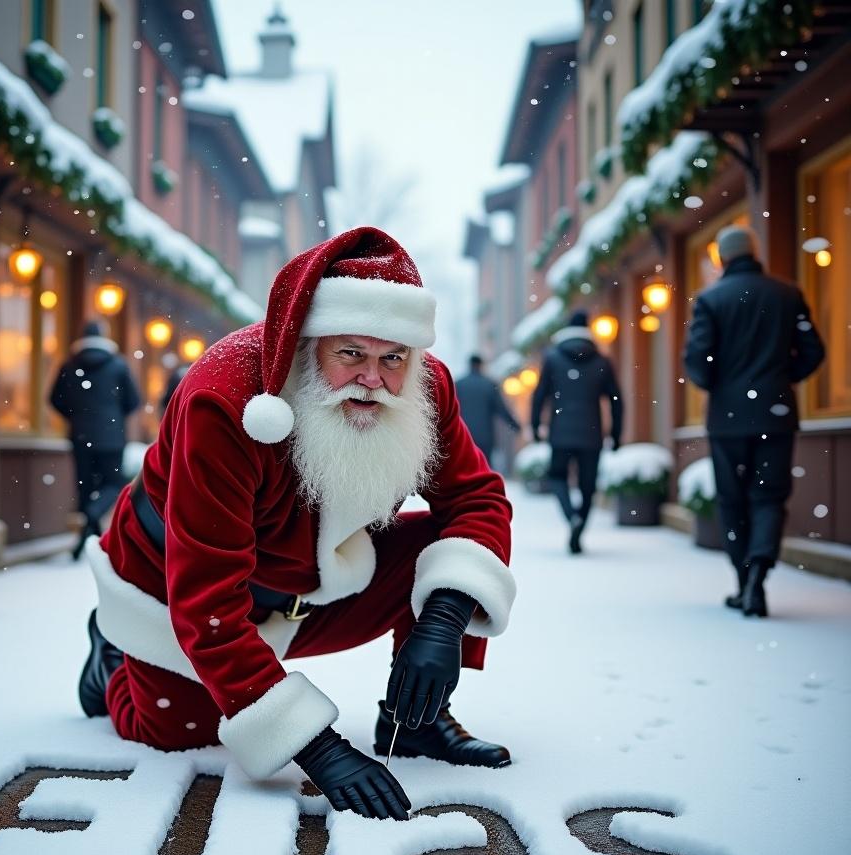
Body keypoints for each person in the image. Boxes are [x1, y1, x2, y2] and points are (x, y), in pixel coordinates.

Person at [76, 227, 517, 821]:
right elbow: (206, 602)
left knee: (452, 555)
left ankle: (418, 721)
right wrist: (318, 747)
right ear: (308, 345)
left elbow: (477, 498)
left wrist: (443, 620)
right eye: (351, 354)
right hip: (175, 585)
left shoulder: (427, 388)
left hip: (311, 582)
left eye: (393, 358)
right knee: (180, 731)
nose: (374, 379)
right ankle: (112, 663)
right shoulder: (226, 400)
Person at [683, 225, 825, 617]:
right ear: (753, 252)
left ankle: (743, 581)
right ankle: (759, 574)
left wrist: (721, 386)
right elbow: (813, 350)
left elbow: (697, 362)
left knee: (732, 500)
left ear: (722, 258)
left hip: (728, 420)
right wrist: (781, 379)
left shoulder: (711, 300)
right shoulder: (787, 294)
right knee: (769, 496)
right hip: (776, 415)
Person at [530, 310, 623, 554]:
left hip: (560, 432)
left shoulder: (553, 359)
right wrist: (616, 433)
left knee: (558, 476)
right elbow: (616, 400)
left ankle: (571, 516)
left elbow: (539, 395)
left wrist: (535, 426)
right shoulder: (602, 362)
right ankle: (579, 523)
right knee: (587, 485)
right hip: (591, 434)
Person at [49, 319, 141, 560]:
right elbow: (133, 401)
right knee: (114, 483)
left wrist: (77, 416)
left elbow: (55, 399)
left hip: (80, 437)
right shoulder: (118, 366)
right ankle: (94, 518)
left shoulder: (69, 366)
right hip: (112, 437)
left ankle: (87, 538)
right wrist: (113, 416)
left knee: (85, 487)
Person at [454, 354, 520, 465]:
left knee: (466, 467)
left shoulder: (459, 385)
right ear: (481, 365)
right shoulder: (489, 384)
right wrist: (515, 426)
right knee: (484, 467)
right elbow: (501, 409)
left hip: (464, 435)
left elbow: (452, 410)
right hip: (485, 437)